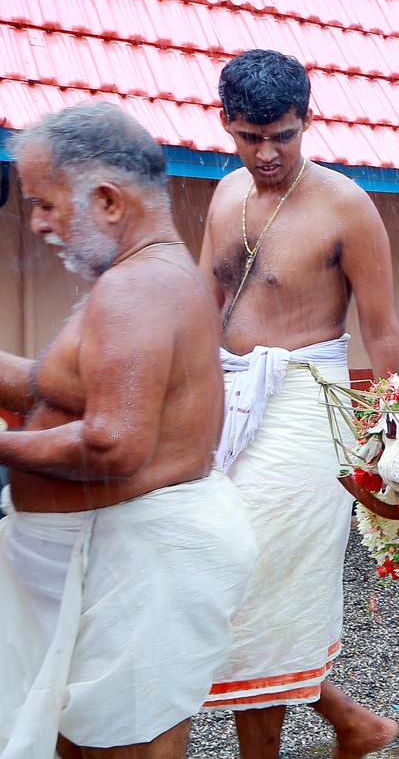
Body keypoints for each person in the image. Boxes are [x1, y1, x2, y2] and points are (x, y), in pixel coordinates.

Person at [0, 104, 257, 758]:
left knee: (128, 748)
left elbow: (113, 441)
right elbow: (58, 391)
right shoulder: (155, 276)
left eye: (46, 204)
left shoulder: (136, 289)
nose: (37, 223)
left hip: (151, 556)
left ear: (108, 201)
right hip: (138, 552)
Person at [197, 50, 399, 755]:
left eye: (281, 135)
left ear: (306, 121)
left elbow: (379, 329)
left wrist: (393, 438)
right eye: (250, 136)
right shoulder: (224, 195)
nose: (267, 152)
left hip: (305, 412)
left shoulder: (345, 205)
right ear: (226, 123)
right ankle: (351, 722)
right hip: (224, 405)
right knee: (218, 576)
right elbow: (203, 304)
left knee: (263, 581)